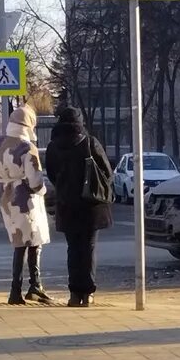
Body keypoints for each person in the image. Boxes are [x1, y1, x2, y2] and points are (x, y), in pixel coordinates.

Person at [0, 105, 52, 305]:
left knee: (20, 242)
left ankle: (28, 287)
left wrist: (3, 185)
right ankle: (27, 288)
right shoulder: (26, 147)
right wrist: (43, 191)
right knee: (31, 241)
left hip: (6, 198)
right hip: (26, 200)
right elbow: (36, 181)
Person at [45, 107, 113, 306]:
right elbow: (107, 172)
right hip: (90, 204)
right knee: (89, 248)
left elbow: (51, 174)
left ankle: (75, 293)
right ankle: (88, 293)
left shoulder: (53, 146)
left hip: (67, 205)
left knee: (73, 248)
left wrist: (65, 187)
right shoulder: (90, 142)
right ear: (80, 122)